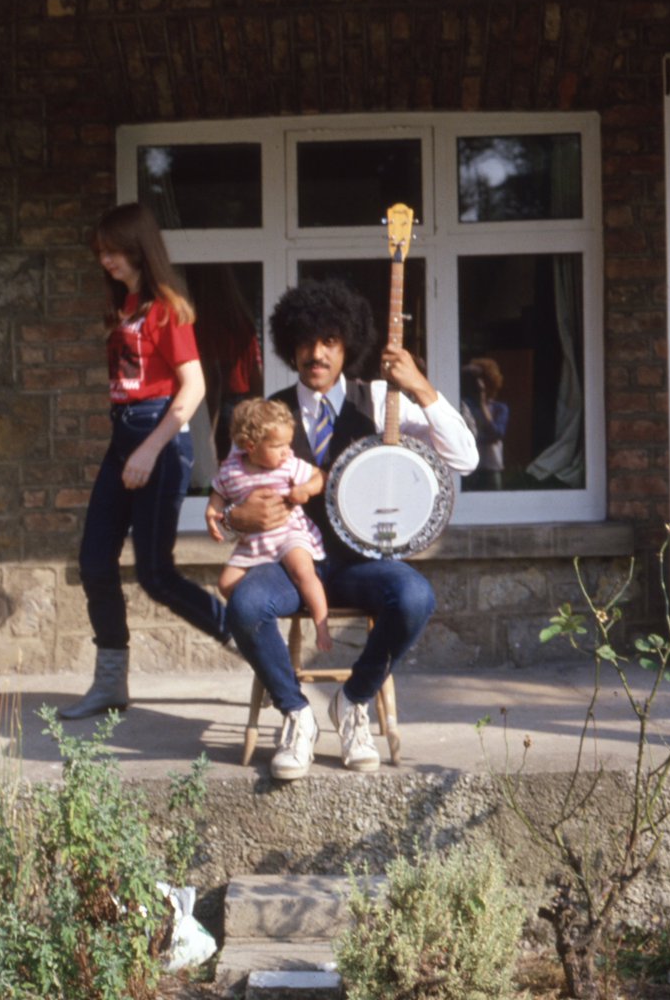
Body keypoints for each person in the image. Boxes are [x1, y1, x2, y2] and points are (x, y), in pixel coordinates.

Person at [205, 278, 479, 781]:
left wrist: (419, 385)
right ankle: (296, 714)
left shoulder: (381, 399)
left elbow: (465, 458)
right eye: (306, 342)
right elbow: (226, 485)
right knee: (244, 605)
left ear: (347, 344)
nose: (316, 353)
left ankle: (353, 702)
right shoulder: (267, 414)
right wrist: (230, 517)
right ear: (291, 346)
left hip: (361, 565)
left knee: (415, 597)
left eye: (329, 341)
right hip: (285, 562)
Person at [60, 203, 229, 720]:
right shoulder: (127, 305)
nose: (105, 260)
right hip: (124, 435)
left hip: (158, 436)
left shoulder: (165, 308)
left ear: (137, 247)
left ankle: (249, 639)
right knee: (94, 563)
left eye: (112, 250)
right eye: (101, 253)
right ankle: (110, 682)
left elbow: (194, 386)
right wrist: (131, 448)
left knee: (156, 574)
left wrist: (150, 448)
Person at [208, 398, 333, 653]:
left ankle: (322, 624)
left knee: (303, 571)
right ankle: (265, 626)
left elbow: (321, 477)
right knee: (225, 584)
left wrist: (305, 490)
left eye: (288, 444)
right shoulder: (232, 469)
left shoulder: (289, 465)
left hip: (289, 532)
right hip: (254, 541)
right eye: (278, 446)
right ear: (250, 446)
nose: (287, 450)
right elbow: (218, 490)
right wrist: (213, 511)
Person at [461, 357, 509, 490]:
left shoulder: (500, 408)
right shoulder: (466, 407)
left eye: (483, 380)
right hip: (471, 467)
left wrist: (482, 404)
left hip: (491, 467)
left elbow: (496, 434)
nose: (479, 384)